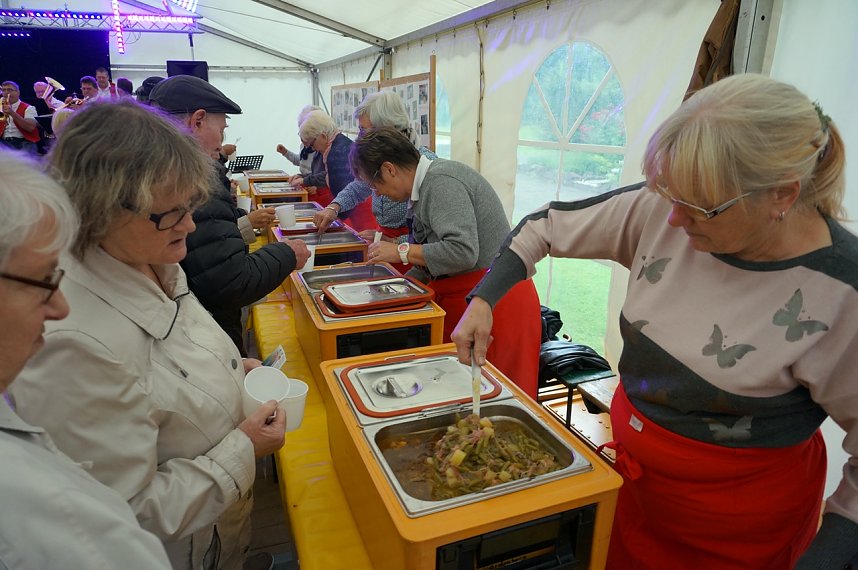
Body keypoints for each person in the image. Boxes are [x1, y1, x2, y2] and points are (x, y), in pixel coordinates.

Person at [451, 74, 858, 568]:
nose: (673, 221)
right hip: (636, 493)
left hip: (740, 534)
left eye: (700, 208)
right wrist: (484, 299)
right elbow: (546, 226)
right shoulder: (669, 208)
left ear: (782, 195)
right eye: (669, 196)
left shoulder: (842, 293)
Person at [11, 100, 288, 570]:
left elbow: (169, 361)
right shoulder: (71, 341)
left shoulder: (148, 256)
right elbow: (123, 513)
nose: (190, 225)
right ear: (99, 210)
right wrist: (244, 449)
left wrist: (225, 369)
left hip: (216, 531)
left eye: (191, 206)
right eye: (171, 213)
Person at [0, 150, 174, 570]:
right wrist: (240, 451)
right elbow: (131, 507)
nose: (59, 307)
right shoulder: (30, 505)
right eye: (43, 279)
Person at [351, 127, 541, 398]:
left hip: (495, 299)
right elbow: (429, 255)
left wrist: (401, 251)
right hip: (467, 296)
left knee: (491, 395)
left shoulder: (441, 182)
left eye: (375, 186)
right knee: (459, 391)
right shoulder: (422, 190)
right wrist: (394, 291)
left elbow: (462, 251)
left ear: (389, 169)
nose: (378, 195)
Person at [148, 74, 310, 355]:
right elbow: (231, 280)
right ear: (198, 121)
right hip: (206, 333)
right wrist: (286, 254)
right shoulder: (191, 181)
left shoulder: (157, 170)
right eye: (221, 129)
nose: (221, 141)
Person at [314, 90, 436, 272]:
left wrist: (396, 243)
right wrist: (334, 207)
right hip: (386, 243)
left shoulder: (425, 165)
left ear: (387, 127)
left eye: (364, 130)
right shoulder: (379, 157)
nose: (360, 136)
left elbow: (435, 239)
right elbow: (359, 186)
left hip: (412, 251)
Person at [296, 109, 377, 231]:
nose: (313, 149)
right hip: (355, 208)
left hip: (358, 213)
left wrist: (333, 214)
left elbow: (347, 193)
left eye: (312, 144)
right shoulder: (337, 144)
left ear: (323, 136)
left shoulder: (337, 153)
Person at [0, 81, 40, 154]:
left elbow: (30, 127)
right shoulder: (0, 107)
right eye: (3, 90)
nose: (6, 92)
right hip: (3, 143)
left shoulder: (29, 108)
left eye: (9, 90)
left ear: (18, 92)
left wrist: (12, 113)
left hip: (23, 142)